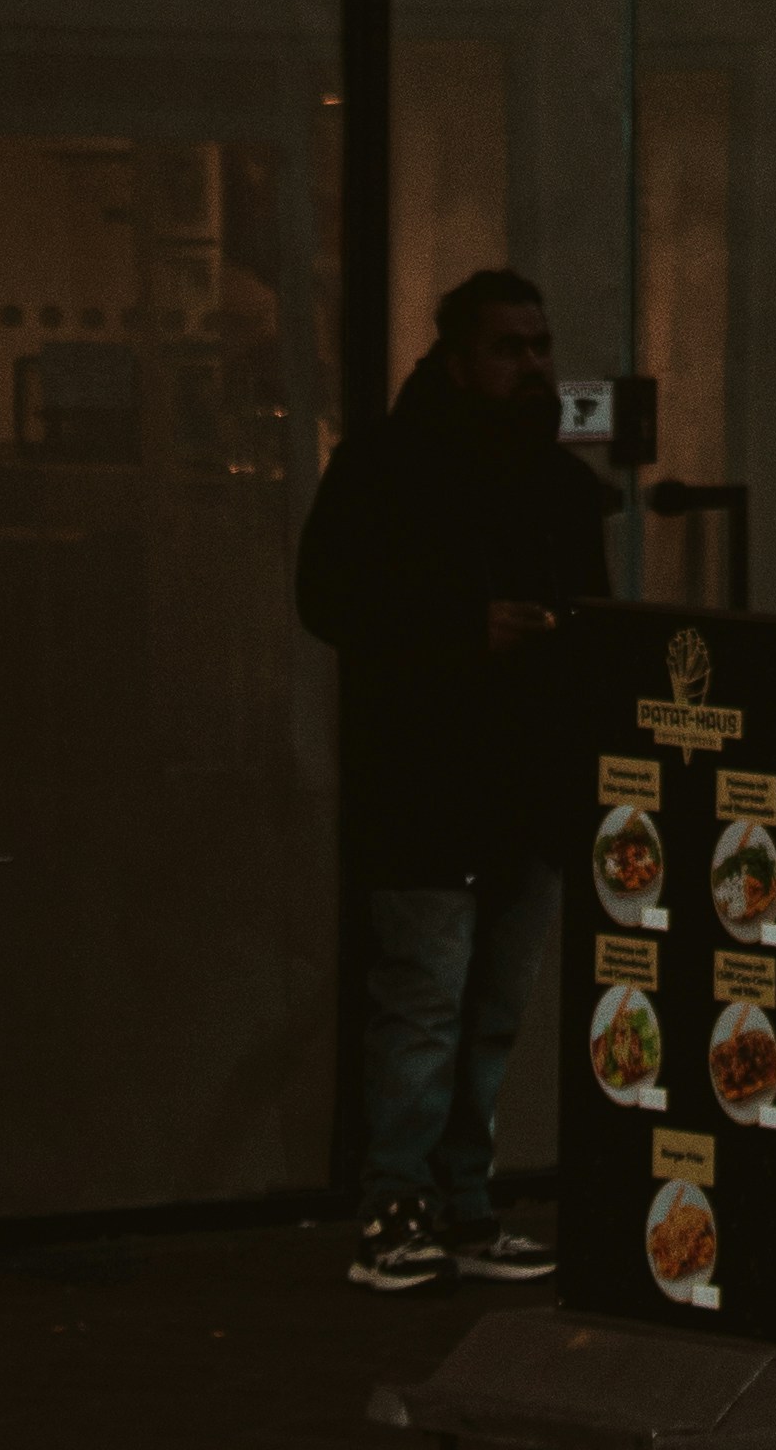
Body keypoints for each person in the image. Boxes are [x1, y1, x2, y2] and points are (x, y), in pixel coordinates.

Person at [296, 258, 614, 1298]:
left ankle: (458, 1204)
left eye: (540, 345)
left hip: (521, 786)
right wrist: (463, 629)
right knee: (428, 1003)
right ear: (456, 360)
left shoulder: (553, 482)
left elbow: (594, 619)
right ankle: (400, 1206)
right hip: (427, 783)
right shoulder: (389, 468)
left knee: (483, 1008)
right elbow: (326, 596)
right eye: (508, 348)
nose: (532, 365)